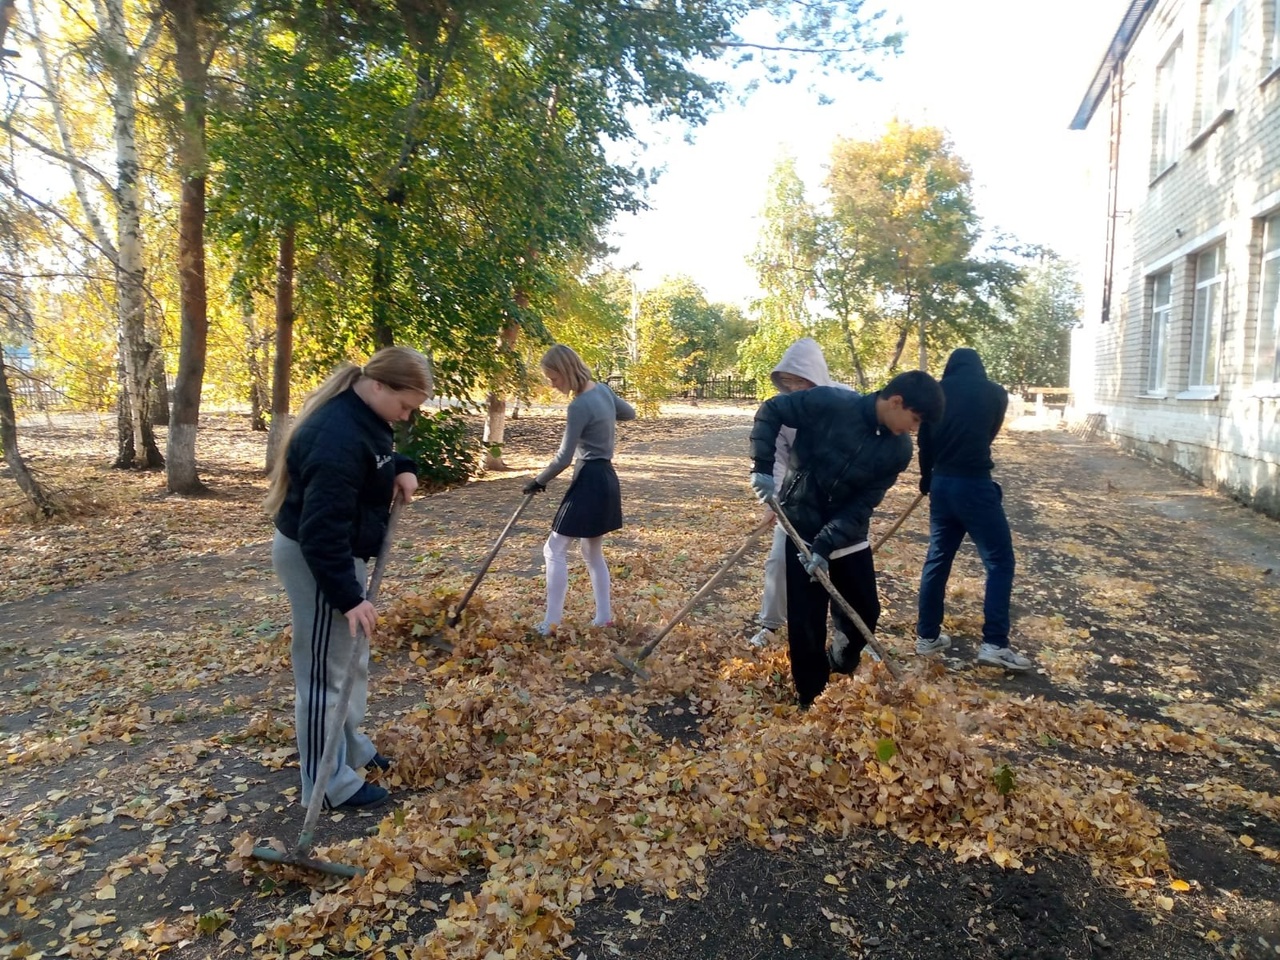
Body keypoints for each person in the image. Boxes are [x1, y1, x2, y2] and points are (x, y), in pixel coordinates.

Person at [265, 345, 432, 809]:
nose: (404, 418)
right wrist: (347, 595)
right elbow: (321, 530)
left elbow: (371, 464)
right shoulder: (336, 433)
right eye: (405, 406)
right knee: (324, 675)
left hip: (341, 557)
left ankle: (349, 748)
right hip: (319, 563)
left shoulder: (365, 418)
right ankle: (328, 783)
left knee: (351, 660)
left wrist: (402, 468)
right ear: (379, 385)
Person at [749, 371, 945, 709]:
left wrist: (825, 546)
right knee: (806, 621)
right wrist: (763, 467)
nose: (912, 429)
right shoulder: (830, 402)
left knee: (865, 612)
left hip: (848, 535)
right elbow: (772, 411)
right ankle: (812, 697)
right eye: (913, 419)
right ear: (896, 402)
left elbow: (862, 504)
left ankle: (839, 660)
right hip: (802, 525)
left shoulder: (899, 450)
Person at [914, 347, 1032, 671]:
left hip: (942, 485)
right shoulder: (995, 393)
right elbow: (988, 435)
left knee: (937, 560)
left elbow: (925, 440)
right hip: (976, 485)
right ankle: (994, 644)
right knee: (999, 562)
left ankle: (926, 637)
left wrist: (927, 478)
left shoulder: (936, 392)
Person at [523, 344, 636, 635]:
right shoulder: (603, 392)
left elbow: (563, 457)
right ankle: (603, 617)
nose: (552, 383)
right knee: (591, 551)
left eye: (554, 377)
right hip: (607, 478)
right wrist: (606, 411)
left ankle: (550, 622)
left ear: (566, 370)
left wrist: (539, 480)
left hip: (589, 479)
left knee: (554, 548)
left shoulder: (578, 405)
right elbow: (630, 413)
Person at [748, 338, 836, 650]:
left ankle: (851, 634)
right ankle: (770, 626)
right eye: (789, 382)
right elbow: (776, 457)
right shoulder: (783, 410)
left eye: (800, 381)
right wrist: (772, 497)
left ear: (815, 375)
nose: (794, 388)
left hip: (835, 503)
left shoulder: (843, 401)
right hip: (795, 502)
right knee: (777, 563)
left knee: (840, 567)